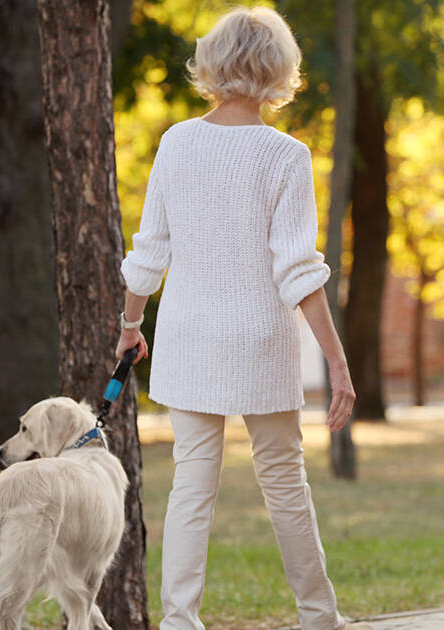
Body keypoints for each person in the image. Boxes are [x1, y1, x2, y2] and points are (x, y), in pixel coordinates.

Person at [115, 6, 369, 630]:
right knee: (285, 484)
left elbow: (150, 251)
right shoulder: (287, 155)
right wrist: (337, 362)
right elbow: (299, 273)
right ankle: (318, 616)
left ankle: (179, 619)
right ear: (280, 71)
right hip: (261, 338)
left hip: (188, 336)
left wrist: (129, 326)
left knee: (190, 487)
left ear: (212, 62)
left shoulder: (177, 142)